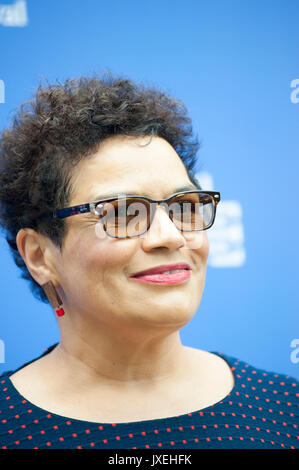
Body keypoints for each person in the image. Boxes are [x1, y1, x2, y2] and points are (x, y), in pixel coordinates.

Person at [0, 74, 297, 450]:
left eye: (184, 207)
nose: (170, 236)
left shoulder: (285, 409)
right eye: (124, 213)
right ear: (40, 256)